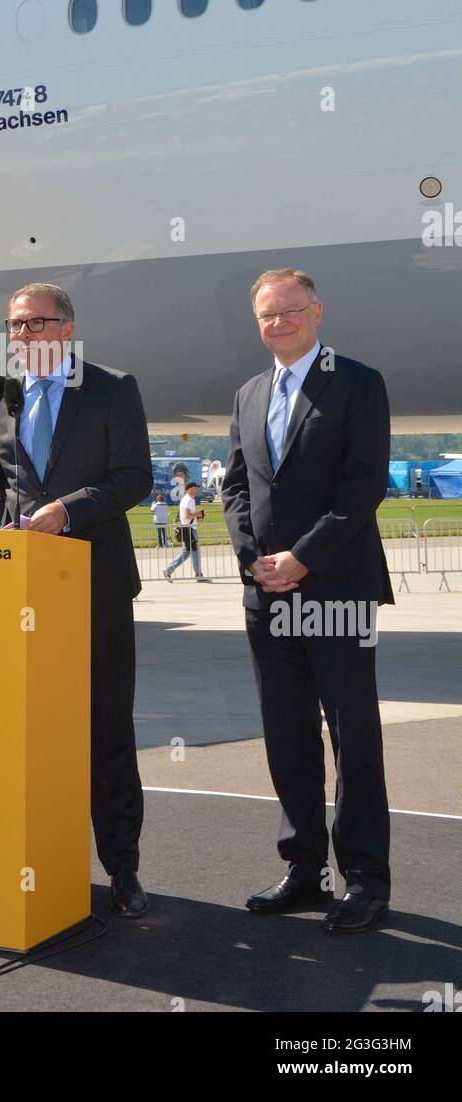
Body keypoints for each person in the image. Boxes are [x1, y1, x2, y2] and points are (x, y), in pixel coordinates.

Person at [0, 283, 153, 918]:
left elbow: (133, 478)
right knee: (28, 731)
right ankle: (38, 861)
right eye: (15, 327)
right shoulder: (0, 397)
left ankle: (122, 866)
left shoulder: (112, 387)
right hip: (21, 593)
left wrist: (67, 512)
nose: (23, 337)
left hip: (93, 588)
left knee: (105, 730)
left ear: (67, 329)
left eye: (36, 325)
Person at [222, 269, 393, 935]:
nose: (278, 323)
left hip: (338, 589)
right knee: (287, 734)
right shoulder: (248, 394)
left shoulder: (357, 382)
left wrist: (303, 558)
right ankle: (303, 869)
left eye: (290, 311)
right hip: (268, 596)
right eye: (267, 315)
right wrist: (254, 562)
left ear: (316, 312)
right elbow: (236, 488)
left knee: (352, 737)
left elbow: (363, 486)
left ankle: (365, 880)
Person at [163, 482, 212, 582]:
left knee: (187, 552)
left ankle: (168, 569)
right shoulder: (189, 500)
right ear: (189, 489)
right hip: (189, 529)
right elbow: (187, 516)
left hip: (187, 528)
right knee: (195, 552)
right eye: (195, 488)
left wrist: (197, 516)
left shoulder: (187, 499)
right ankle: (198, 575)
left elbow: (188, 515)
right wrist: (198, 514)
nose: (196, 490)